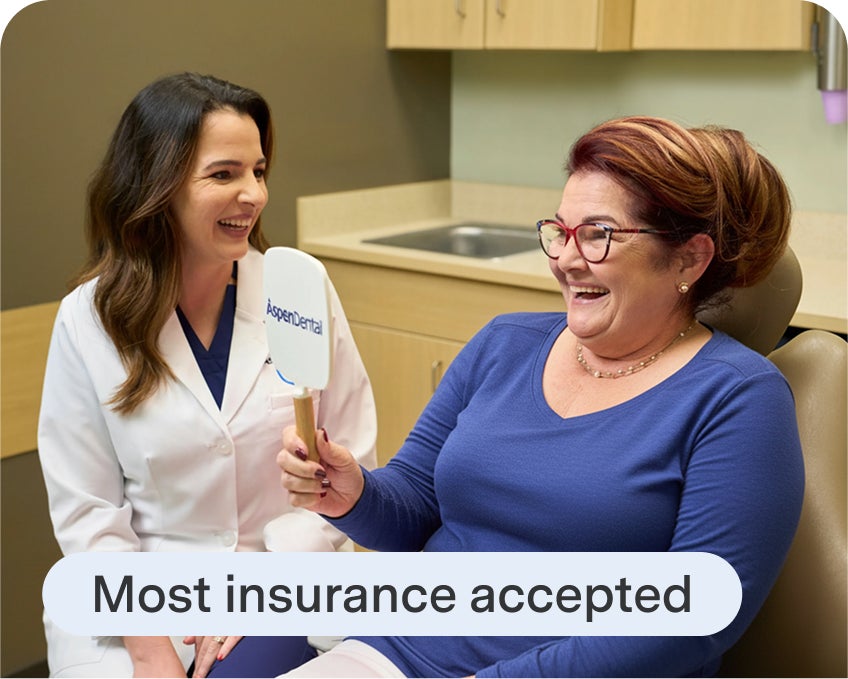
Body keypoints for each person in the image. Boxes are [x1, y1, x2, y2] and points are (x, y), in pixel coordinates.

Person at [266, 116, 805, 677]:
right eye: (560, 231)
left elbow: (692, 619)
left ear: (689, 259)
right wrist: (351, 494)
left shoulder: (739, 400)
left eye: (599, 235)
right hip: (394, 652)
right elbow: (415, 512)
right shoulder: (505, 343)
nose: (566, 261)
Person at [37, 72, 377, 678]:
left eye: (259, 171)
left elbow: (356, 462)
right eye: (224, 174)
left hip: (275, 588)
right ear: (156, 188)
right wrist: (151, 651)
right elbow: (88, 510)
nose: (253, 194)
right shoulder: (88, 321)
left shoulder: (297, 290)